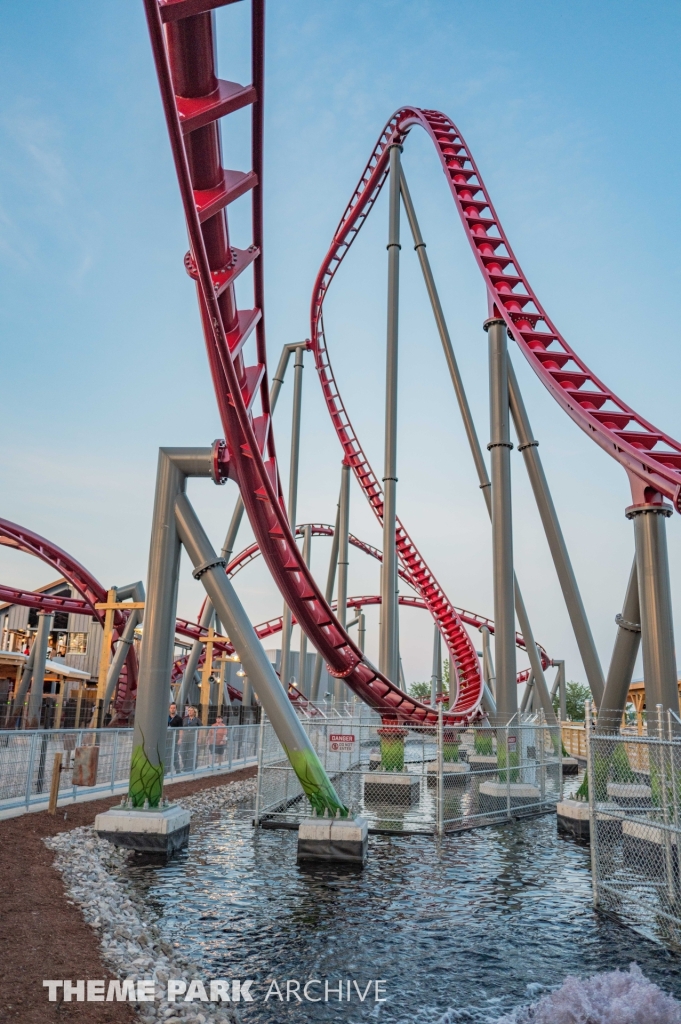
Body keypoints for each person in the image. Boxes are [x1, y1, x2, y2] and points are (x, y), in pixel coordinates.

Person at [181, 705, 200, 771]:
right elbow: (181, 729)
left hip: (193, 739)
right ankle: (185, 765)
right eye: (188, 710)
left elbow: (202, 729)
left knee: (191, 753)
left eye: (191, 710)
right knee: (182, 752)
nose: (189, 712)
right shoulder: (185, 719)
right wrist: (180, 738)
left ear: (194, 712)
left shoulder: (197, 720)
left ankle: (189, 767)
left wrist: (199, 738)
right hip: (185, 738)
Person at [168, 702, 183, 772]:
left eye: (174, 708)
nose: (172, 709)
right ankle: (166, 770)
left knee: (175, 754)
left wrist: (180, 739)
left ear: (176, 709)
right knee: (166, 754)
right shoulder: (166, 717)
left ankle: (178, 769)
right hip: (167, 739)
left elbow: (181, 729)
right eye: (171, 708)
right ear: (169, 709)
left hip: (175, 739)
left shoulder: (179, 718)